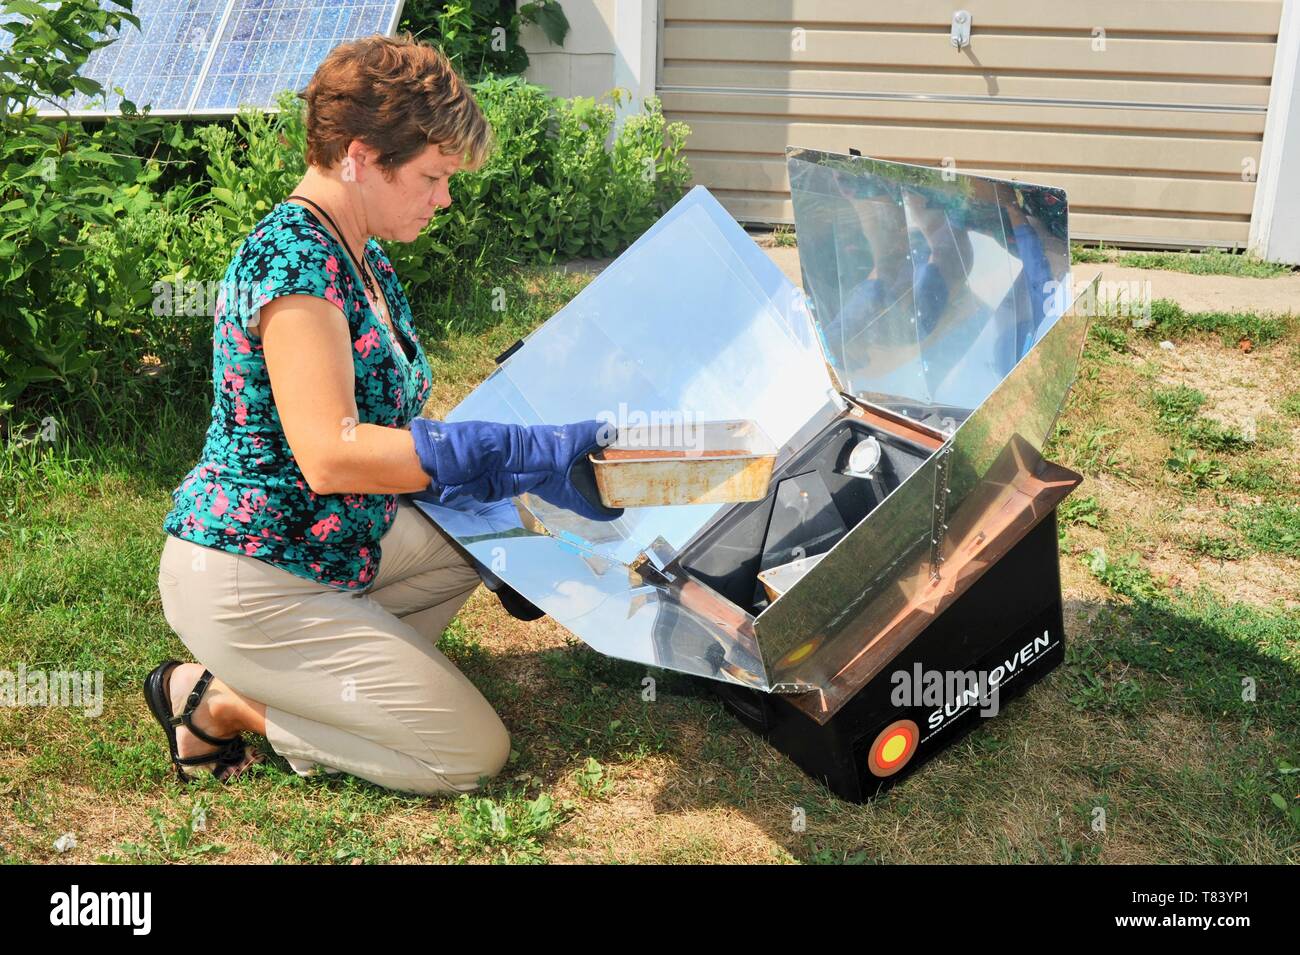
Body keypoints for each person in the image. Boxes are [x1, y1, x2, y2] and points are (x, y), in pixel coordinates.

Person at [146, 34, 618, 797]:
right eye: (433, 176)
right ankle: (219, 699)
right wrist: (500, 452)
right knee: (469, 752)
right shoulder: (294, 266)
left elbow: (398, 428)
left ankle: (343, 671)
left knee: (480, 538)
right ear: (361, 156)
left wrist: (513, 513)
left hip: (335, 542)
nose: (445, 197)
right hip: (255, 572)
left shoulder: (361, 253)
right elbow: (330, 456)